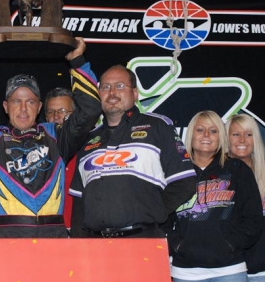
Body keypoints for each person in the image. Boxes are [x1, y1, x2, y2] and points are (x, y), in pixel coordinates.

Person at [0, 35, 102, 238]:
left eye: (31, 102)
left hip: (53, 237)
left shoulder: (57, 136)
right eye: (16, 101)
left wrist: (77, 61)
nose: (23, 109)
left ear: (39, 107)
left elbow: (90, 110)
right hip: (7, 239)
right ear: (6, 107)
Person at [69, 64, 196, 238]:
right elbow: (78, 202)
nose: (112, 92)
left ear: (135, 94)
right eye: (105, 87)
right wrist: (79, 242)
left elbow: (185, 182)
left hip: (142, 239)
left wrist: (152, 214)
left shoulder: (158, 126)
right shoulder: (88, 139)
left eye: (120, 86)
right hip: (96, 245)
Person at [167, 111, 263, 282]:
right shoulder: (176, 171)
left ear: (221, 137)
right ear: (190, 134)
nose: (206, 136)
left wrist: (230, 244)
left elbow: (253, 218)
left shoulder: (237, 169)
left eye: (213, 131)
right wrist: (177, 245)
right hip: (187, 271)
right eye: (200, 130)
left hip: (229, 269)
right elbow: (162, 217)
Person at [226, 114, 265, 282]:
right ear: (226, 139)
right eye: (235, 134)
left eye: (248, 134)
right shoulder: (214, 177)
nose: (242, 140)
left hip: (262, 273)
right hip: (226, 271)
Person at [44, 87, 76, 232]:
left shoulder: (92, 145)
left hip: (82, 234)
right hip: (47, 234)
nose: (56, 116)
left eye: (63, 111)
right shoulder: (35, 149)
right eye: (51, 112)